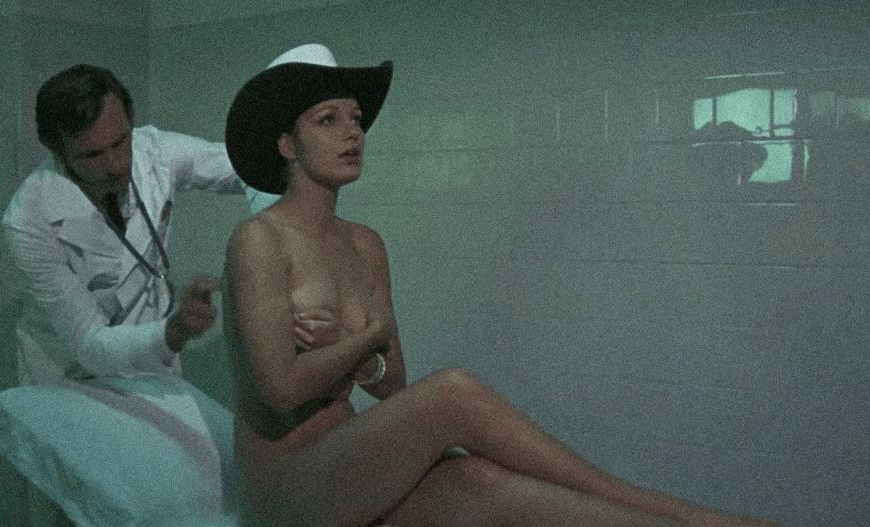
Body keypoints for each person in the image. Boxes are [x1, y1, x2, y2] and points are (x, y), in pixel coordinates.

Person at [221, 44, 779, 527]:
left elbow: (391, 385)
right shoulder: (259, 240)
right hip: (286, 491)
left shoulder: (365, 244)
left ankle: (686, 520)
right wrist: (365, 338)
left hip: (351, 467)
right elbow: (281, 391)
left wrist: (355, 353)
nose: (353, 133)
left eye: (356, 119)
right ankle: (673, 508)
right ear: (287, 145)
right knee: (452, 393)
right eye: (328, 120)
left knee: (482, 484)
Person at [4, 64, 277, 384]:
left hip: (150, 371)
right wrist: (173, 331)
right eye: (93, 155)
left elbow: (246, 166)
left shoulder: (153, 153)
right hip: (67, 378)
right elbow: (90, 345)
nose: (115, 165)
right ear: (57, 151)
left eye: (121, 141)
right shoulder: (29, 218)